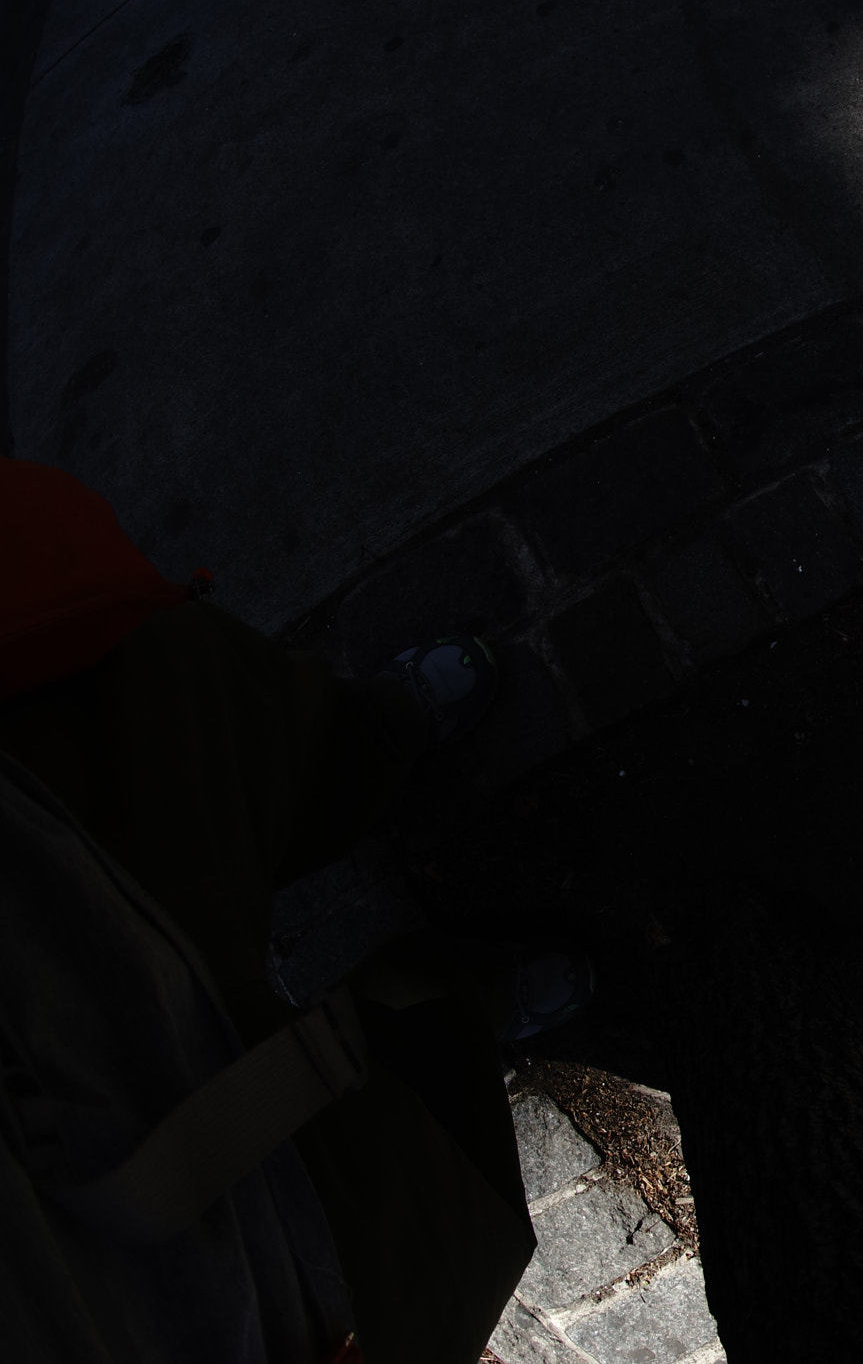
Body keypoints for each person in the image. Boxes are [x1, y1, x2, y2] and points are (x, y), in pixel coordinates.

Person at [0, 458, 586, 1363]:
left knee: (205, 719)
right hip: (210, 1285)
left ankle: (375, 736)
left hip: (39, 858)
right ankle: (455, 1017)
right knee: (418, 1165)